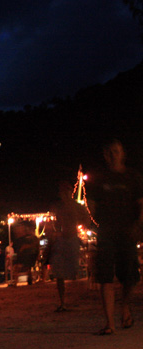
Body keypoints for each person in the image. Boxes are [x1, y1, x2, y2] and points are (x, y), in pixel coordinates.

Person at [88, 140, 143, 335]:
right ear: (105, 155)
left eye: (117, 151)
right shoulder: (98, 178)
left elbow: (141, 203)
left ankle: (125, 305)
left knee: (130, 276)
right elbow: (91, 205)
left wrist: (138, 225)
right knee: (105, 276)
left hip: (128, 231)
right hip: (106, 232)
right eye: (110, 152)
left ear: (123, 154)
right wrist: (97, 223)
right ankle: (109, 323)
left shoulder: (133, 177)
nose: (113, 155)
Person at [50, 181, 87, 312]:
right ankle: (63, 302)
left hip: (71, 238)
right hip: (62, 239)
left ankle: (72, 300)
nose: (63, 194)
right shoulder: (60, 207)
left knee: (73, 271)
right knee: (60, 273)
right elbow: (55, 223)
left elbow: (86, 219)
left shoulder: (75, 206)